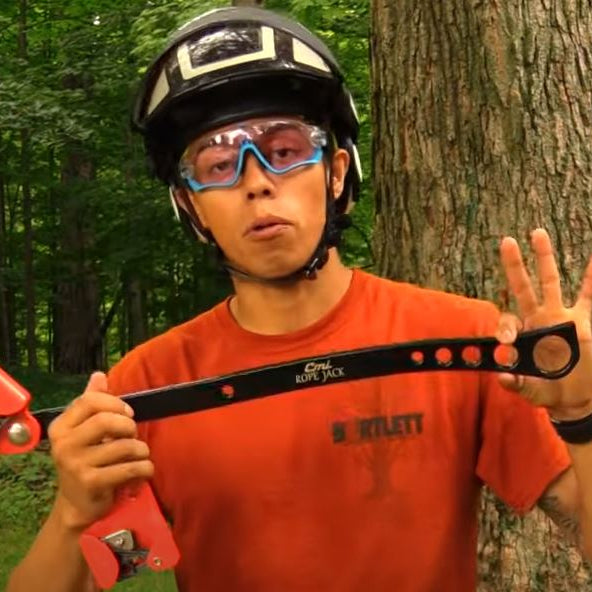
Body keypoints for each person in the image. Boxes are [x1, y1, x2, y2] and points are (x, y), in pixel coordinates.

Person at [7, 6, 592, 592]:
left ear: (335, 174)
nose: (256, 181)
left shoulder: (463, 343)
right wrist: (73, 514)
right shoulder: (145, 389)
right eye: (218, 164)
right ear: (190, 206)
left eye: (284, 151)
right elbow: (100, 566)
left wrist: (582, 412)